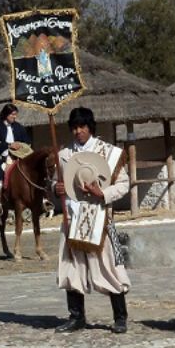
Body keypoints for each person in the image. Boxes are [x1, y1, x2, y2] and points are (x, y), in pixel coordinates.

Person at [52, 107, 130, 334]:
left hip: (102, 218)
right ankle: (76, 317)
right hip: (73, 218)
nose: (78, 132)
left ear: (90, 127)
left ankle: (120, 317)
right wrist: (55, 188)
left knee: (111, 266)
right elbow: (56, 183)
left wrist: (102, 194)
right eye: (74, 128)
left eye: (82, 127)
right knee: (71, 266)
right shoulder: (64, 155)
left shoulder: (109, 153)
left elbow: (123, 184)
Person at [0, 103, 31, 214]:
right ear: (6, 114)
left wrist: (20, 146)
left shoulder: (19, 127)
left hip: (17, 156)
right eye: (12, 114)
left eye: (16, 115)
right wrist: (8, 145)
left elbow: (27, 143)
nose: (15, 117)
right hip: (1, 157)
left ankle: (38, 199)